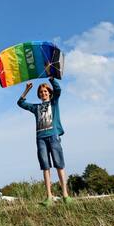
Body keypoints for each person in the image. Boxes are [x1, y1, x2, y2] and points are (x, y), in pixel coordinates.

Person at [17, 77, 71, 206]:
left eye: (45, 91)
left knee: (59, 165)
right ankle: (49, 197)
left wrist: (52, 79)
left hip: (53, 136)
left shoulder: (54, 103)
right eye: (41, 92)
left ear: (49, 93)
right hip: (40, 138)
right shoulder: (36, 108)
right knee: (45, 167)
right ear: (39, 95)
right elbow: (21, 103)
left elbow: (58, 90)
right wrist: (26, 90)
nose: (43, 93)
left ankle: (65, 195)